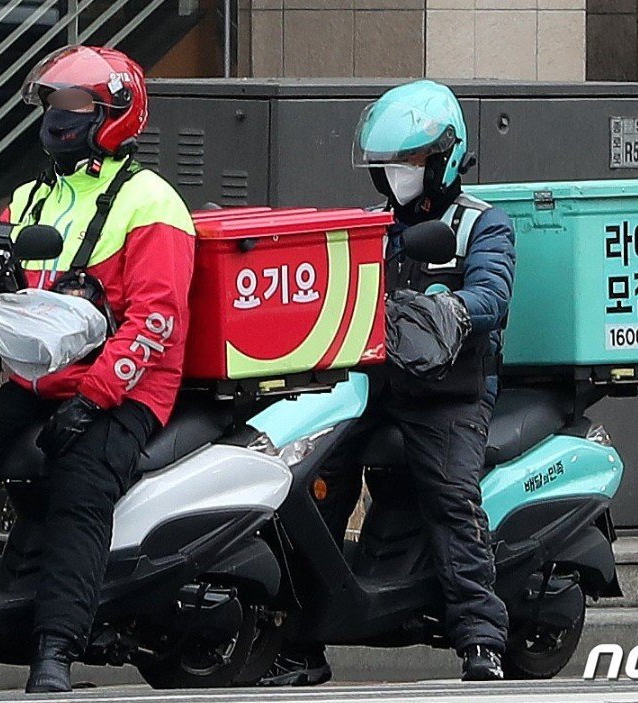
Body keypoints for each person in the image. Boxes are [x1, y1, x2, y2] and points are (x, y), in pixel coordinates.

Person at [0, 46, 195, 693]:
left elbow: (156, 318)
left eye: (73, 106)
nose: (57, 119)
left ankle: (54, 651)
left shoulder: (152, 203)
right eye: (52, 104)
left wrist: (98, 395)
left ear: (112, 116)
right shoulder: (35, 195)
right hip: (37, 378)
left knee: (80, 489)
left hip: (124, 388)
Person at [262, 80, 515, 685]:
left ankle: (481, 637)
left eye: (409, 161)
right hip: (371, 386)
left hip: (450, 391)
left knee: (451, 494)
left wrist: (450, 311)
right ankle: (301, 642)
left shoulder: (484, 224)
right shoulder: (370, 225)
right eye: (389, 164)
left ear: (444, 157)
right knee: (309, 483)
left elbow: (492, 294)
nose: (396, 174)